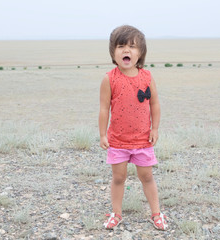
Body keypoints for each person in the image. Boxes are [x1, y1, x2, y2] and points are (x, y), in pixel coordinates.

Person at [98, 25, 168, 231]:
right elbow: (104, 109)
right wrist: (102, 134)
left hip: (143, 140)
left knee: (147, 177)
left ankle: (156, 213)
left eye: (132, 46)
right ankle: (116, 213)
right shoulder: (109, 79)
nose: (126, 50)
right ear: (113, 52)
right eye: (120, 46)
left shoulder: (146, 77)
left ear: (141, 53)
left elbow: (154, 104)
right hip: (118, 141)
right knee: (119, 178)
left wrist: (155, 129)